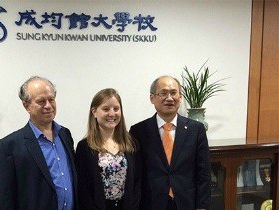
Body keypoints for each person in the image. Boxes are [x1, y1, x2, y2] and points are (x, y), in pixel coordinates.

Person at [129, 76, 211, 210]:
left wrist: (202, 206)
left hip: (186, 202)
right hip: (151, 202)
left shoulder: (196, 130)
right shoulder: (138, 131)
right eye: (163, 93)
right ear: (152, 98)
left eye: (174, 93)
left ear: (180, 97)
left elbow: (204, 173)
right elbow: (136, 175)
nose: (169, 98)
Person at [0, 76, 77, 210]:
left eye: (51, 100)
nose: (48, 106)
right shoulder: (10, 146)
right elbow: (5, 198)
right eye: (41, 101)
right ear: (26, 105)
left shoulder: (65, 134)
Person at [75, 88, 141, 210]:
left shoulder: (131, 143)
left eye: (116, 109)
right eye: (106, 109)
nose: (112, 114)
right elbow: (83, 190)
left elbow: (137, 184)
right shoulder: (84, 147)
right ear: (94, 112)